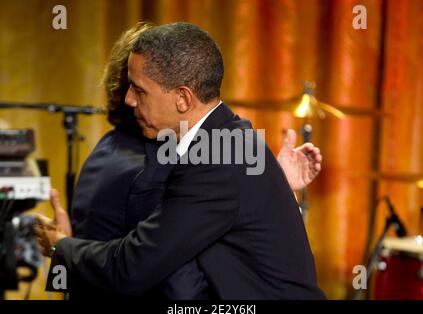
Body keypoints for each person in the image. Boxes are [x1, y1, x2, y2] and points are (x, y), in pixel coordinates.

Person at [36, 22, 325, 299]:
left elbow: (132, 268)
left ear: (183, 99)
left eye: (138, 89)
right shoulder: (226, 142)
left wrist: (58, 245)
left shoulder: (217, 159)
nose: (128, 100)